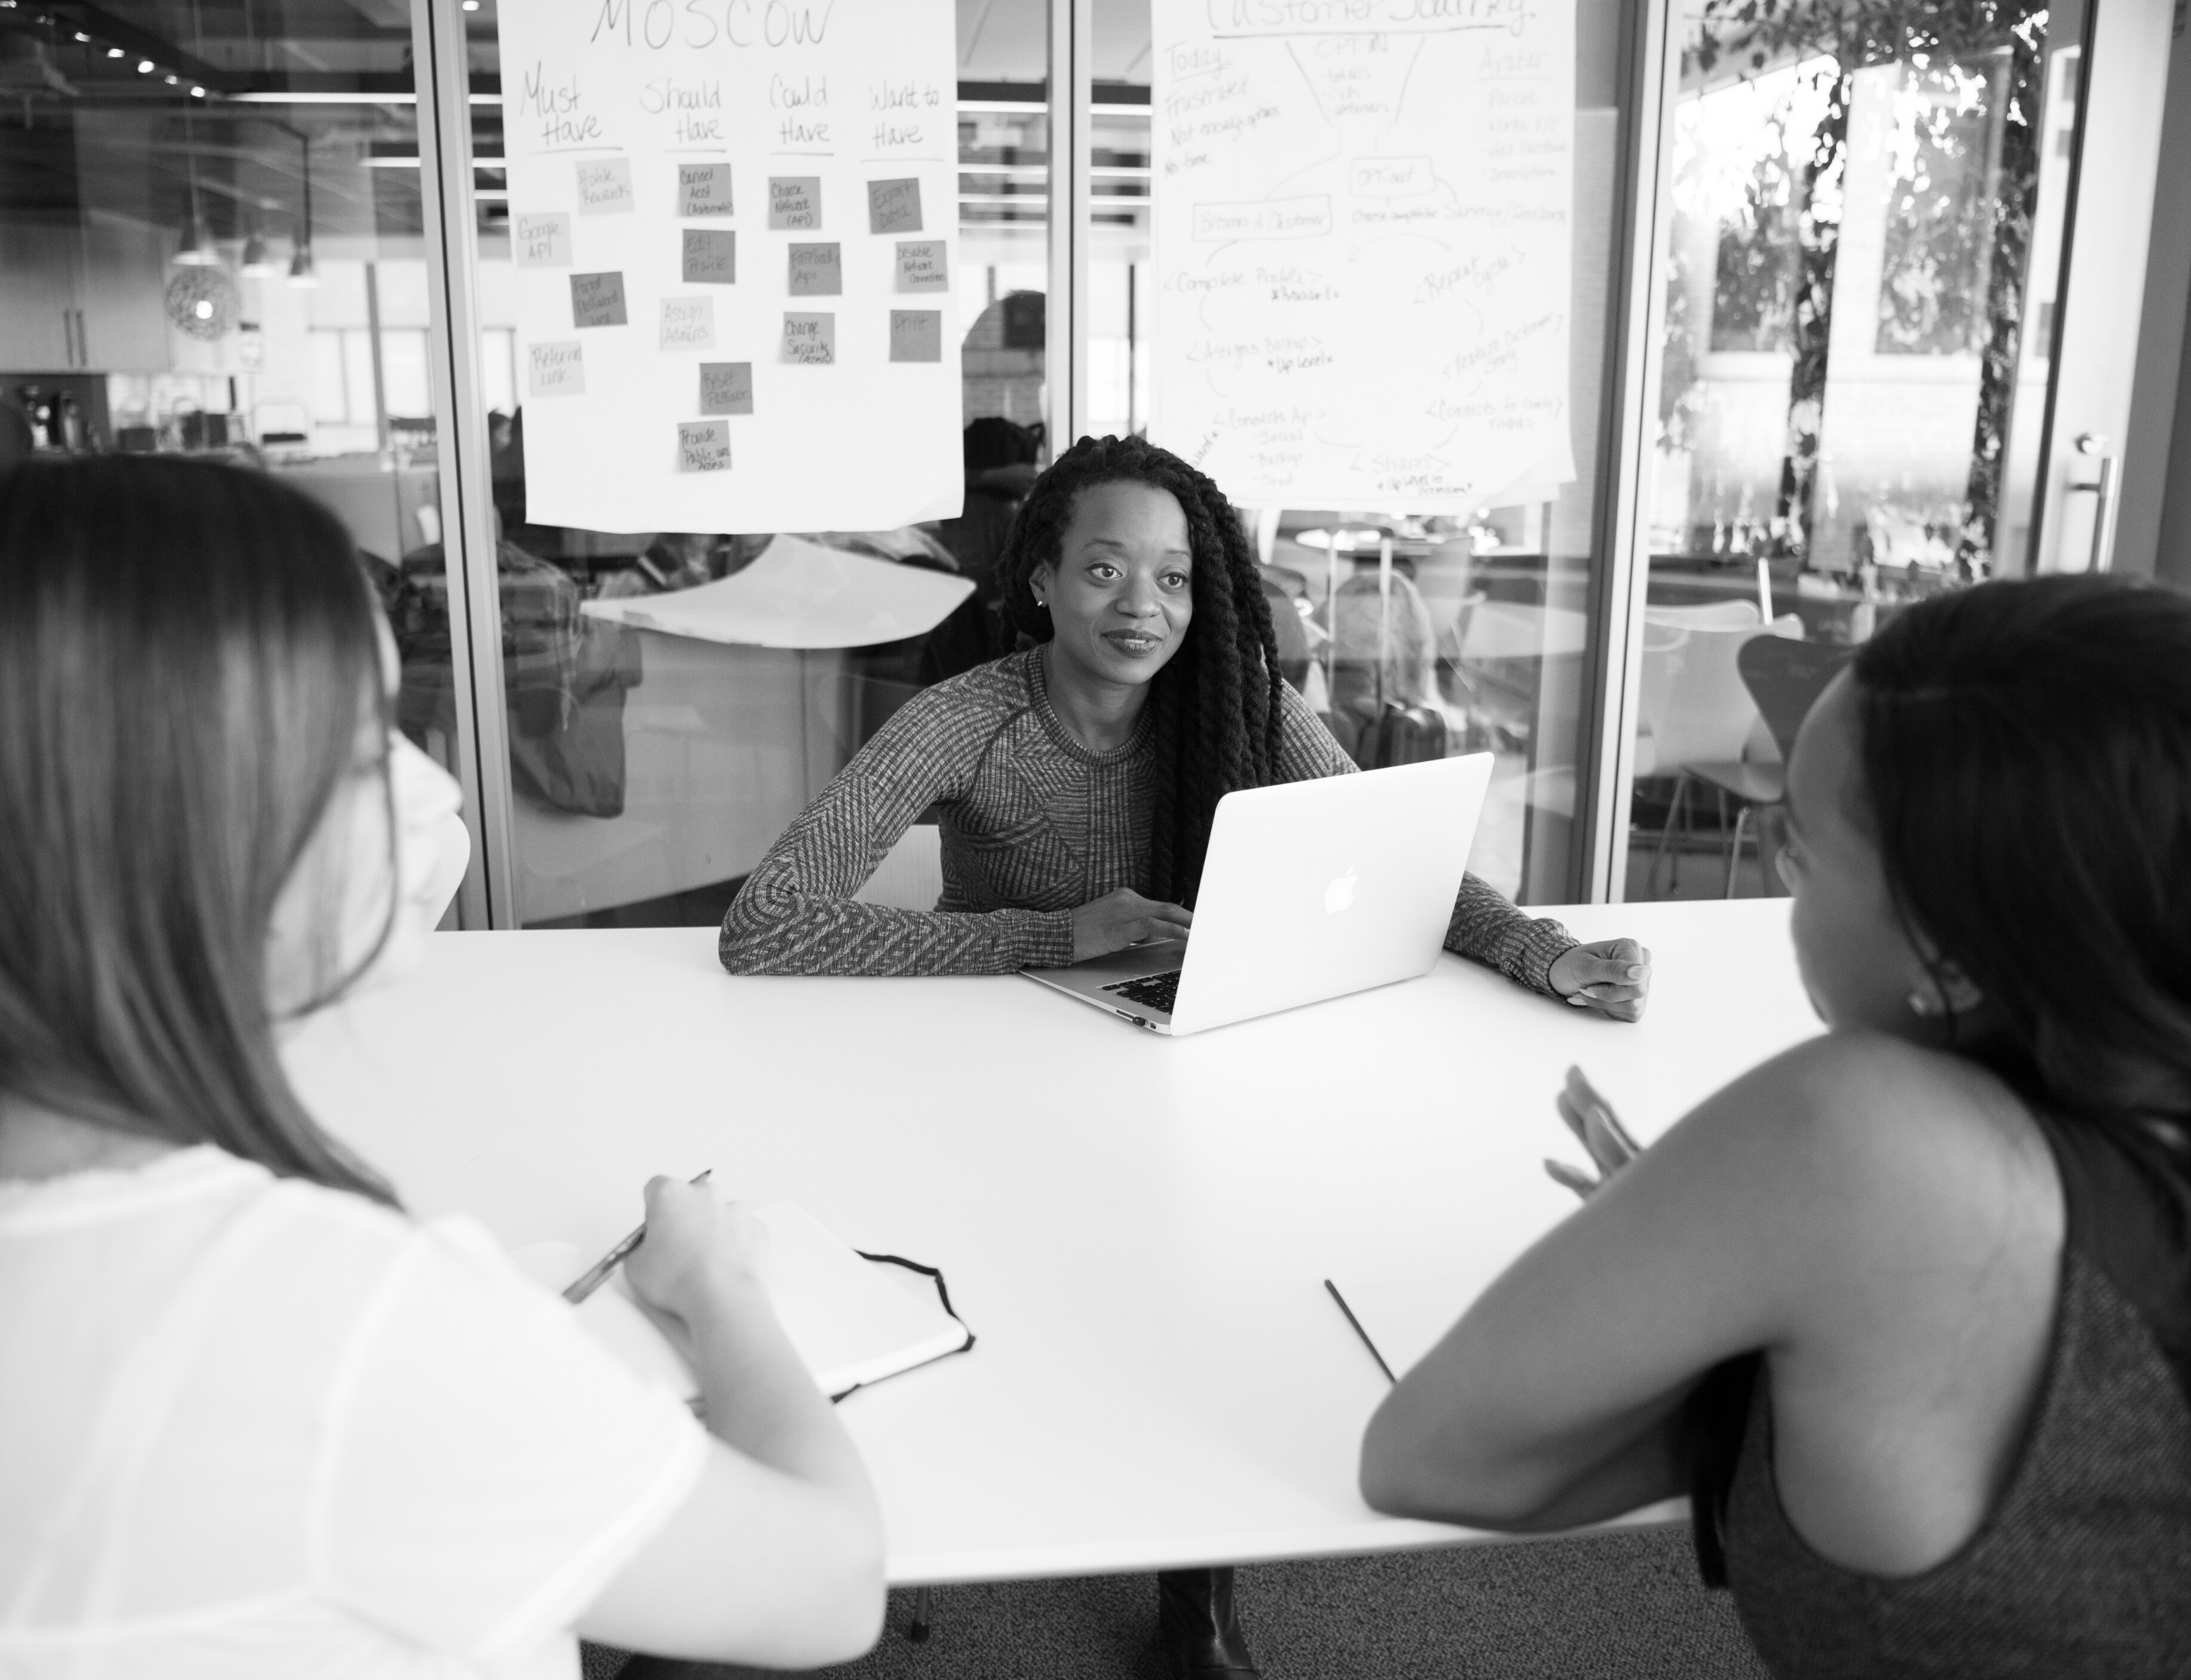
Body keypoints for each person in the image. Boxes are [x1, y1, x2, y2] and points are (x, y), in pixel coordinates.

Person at [720, 432, 1654, 1679]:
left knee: (1217, 1268)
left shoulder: (1236, 706)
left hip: (1167, 1054)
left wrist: (1543, 952)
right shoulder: (971, 719)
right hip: (977, 1069)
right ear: (1042, 579)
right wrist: (1058, 932)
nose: (1142, 607)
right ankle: (890, 1521)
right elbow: (767, 920)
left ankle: (1196, 1597)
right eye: (1106, 571)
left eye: (1172, 579)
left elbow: (1398, 863)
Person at [0, 456, 885, 1678]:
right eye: (365, 742)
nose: (429, 785)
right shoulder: (334, 1330)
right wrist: (721, 1290)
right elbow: (830, 1587)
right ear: (184, 815)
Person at [1359, 573, 2191, 1674]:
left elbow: (1431, 1457)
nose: (1777, 875)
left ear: (1943, 939)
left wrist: (1723, 1272)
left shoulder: (1860, 1141)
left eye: (1799, 845)